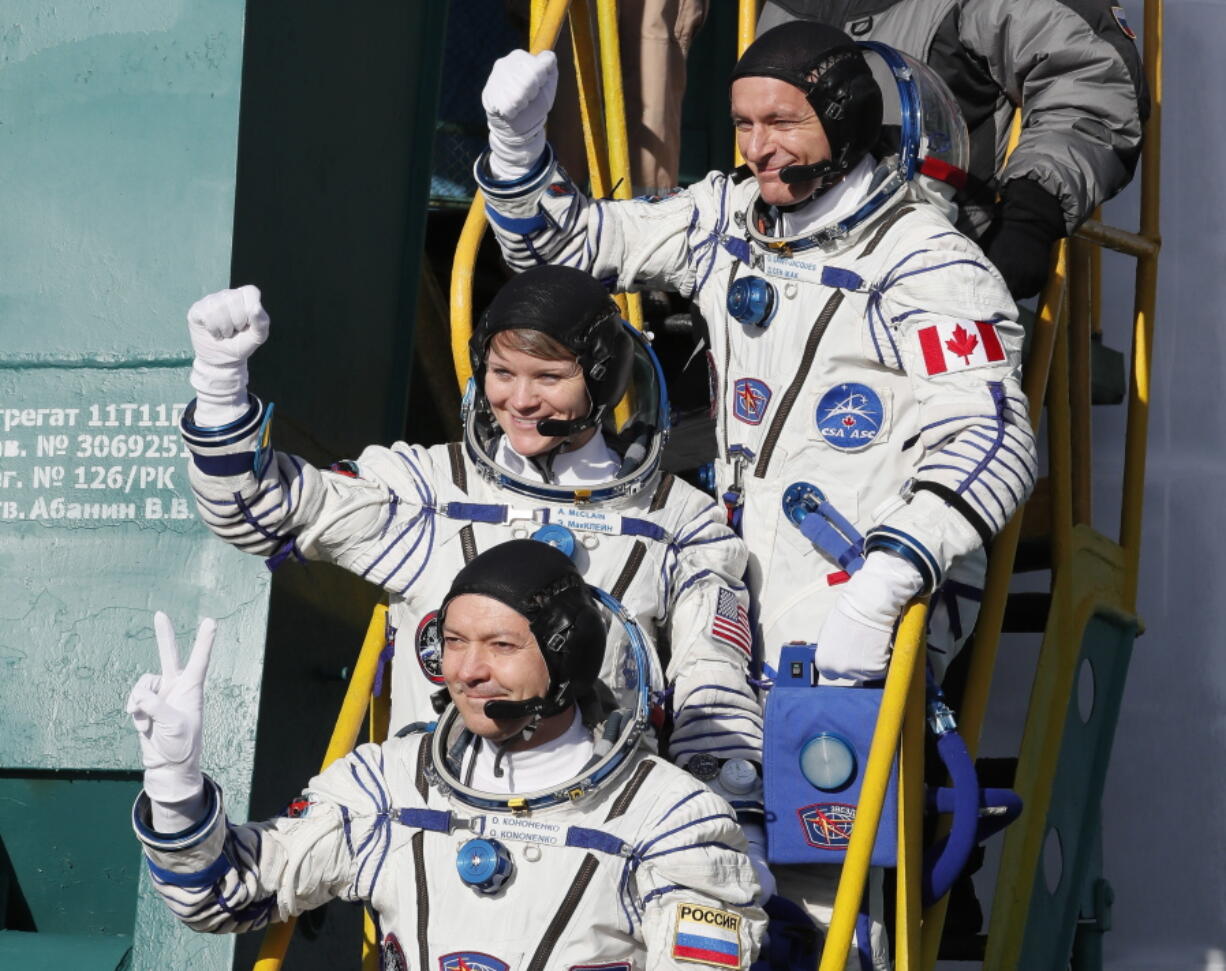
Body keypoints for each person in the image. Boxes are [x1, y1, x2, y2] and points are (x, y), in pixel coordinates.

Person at [475, 22, 1038, 968]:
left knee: (827, 893)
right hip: (732, 588)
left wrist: (889, 579)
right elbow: (569, 248)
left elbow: (993, 431)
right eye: (742, 125)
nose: (758, 148)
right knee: (707, 854)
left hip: (851, 608)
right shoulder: (725, 219)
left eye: (783, 121)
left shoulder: (925, 262)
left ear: (846, 119)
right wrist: (519, 147)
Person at [179, 265, 769, 877]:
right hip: (436, 833)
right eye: (502, 372)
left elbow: (712, 693)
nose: (519, 399)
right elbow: (257, 512)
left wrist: (737, 845)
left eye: (549, 376)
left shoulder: (677, 524)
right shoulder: (426, 495)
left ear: (603, 376)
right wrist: (220, 387)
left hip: (611, 831)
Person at [127, 539, 767, 968]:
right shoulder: (387, 786)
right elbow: (220, 900)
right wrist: (175, 786)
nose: (468, 671)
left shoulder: (671, 819)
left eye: (501, 646)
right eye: (455, 642)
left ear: (568, 654)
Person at [756, 0, 1149, 300]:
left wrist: (1031, 214)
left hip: (934, 278)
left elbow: (1090, 82)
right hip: (787, 273)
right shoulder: (783, 5)